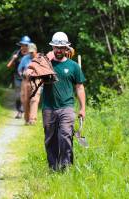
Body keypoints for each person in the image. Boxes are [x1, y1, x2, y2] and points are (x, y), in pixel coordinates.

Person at [42, 32, 86, 171]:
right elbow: (29, 73)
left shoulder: (73, 66)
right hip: (48, 107)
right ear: (52, 47)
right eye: (56, 47)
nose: (59, 50)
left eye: (62, 47)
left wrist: (82, 108)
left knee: (66, 135)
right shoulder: (45, 65)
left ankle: (65, 166)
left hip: (67, 107)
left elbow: (79, 87)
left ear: (67, 48)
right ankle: (53, 167)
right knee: (50, 139)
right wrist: (44, 60)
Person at [7, 35, 31, 119]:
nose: (24, 47)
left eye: (26, 45)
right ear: (20, 45)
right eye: (23, 45)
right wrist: (14, 59)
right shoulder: (16, 53)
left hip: (29, 78)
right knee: (18, 95)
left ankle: (26, 112)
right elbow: (8, 66)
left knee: (27, 95)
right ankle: (19, 111)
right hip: (17, 77)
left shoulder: (31, 54)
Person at [18, 43, 41, 125]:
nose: (31, 54)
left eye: (32, 52)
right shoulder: (25, 58)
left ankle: (33, 119)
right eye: (30, 52)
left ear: (36, 51)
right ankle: (27, 119)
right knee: (25, 100)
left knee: (34, 99)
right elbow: (19, 69)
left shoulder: (40, 58)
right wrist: (22, 74)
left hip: (36, 80)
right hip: (26, 80)